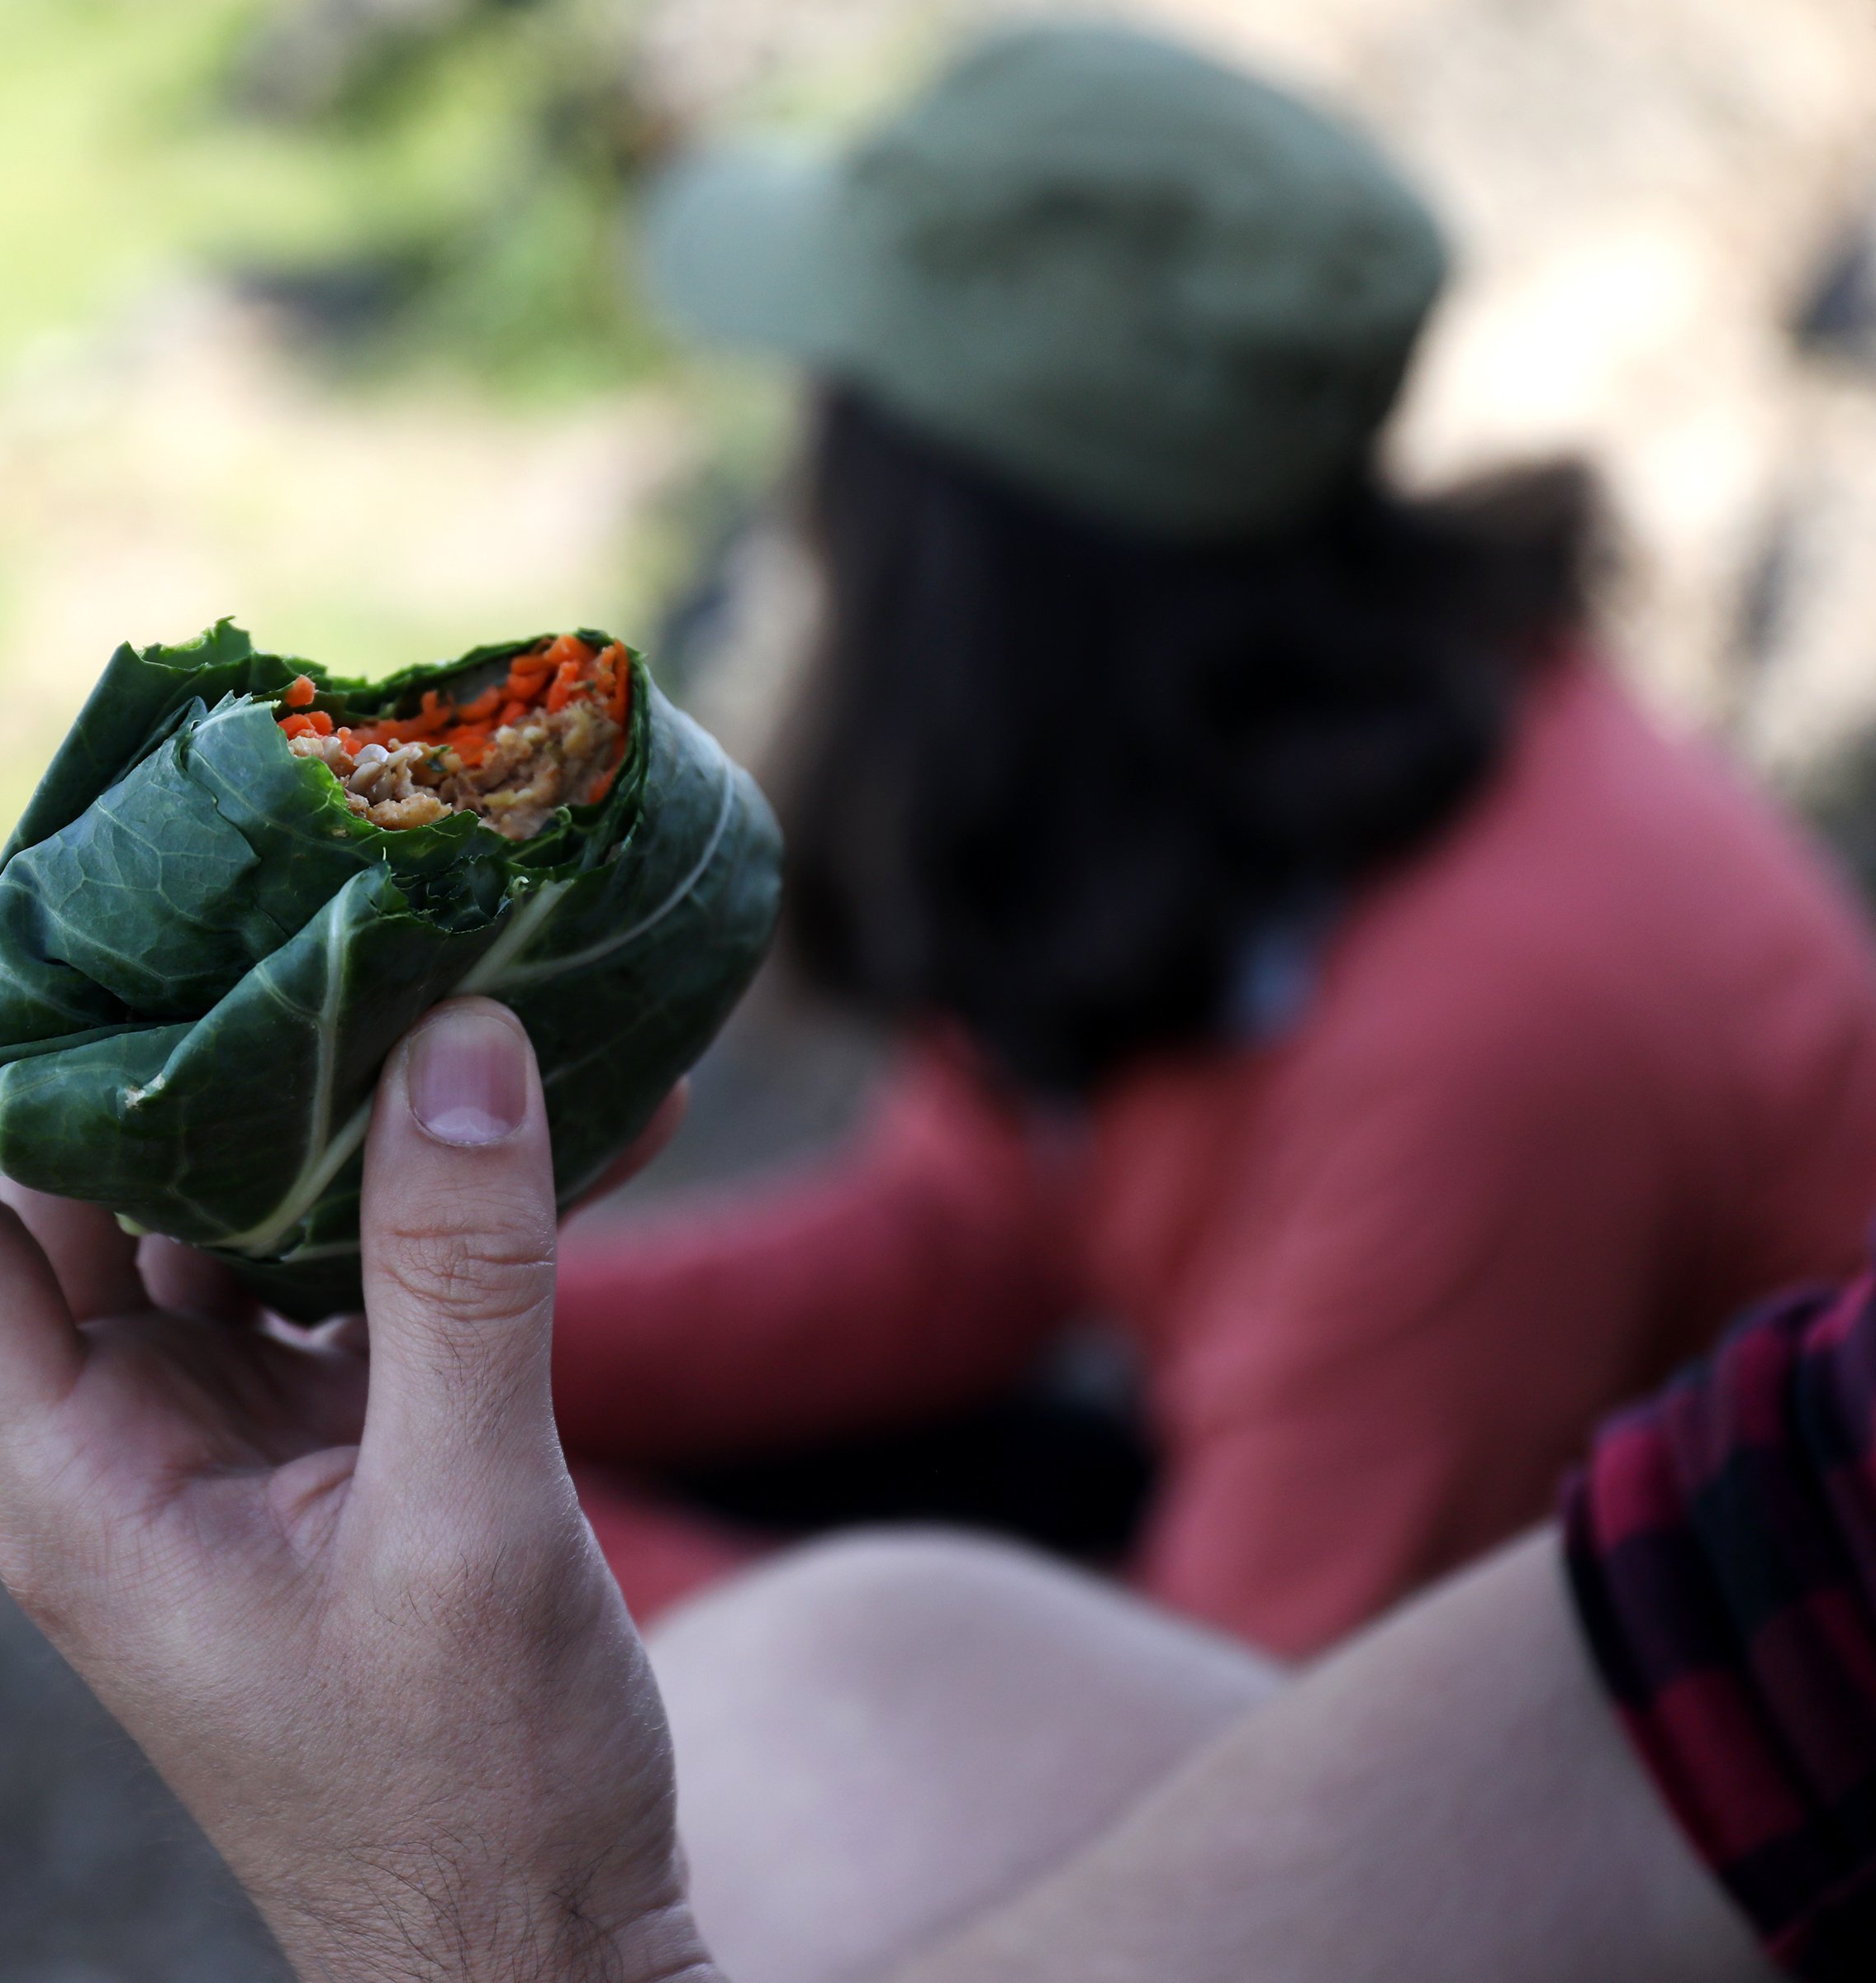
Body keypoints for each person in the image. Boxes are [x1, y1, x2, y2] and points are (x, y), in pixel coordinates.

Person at [553, 21, 1876, 1654]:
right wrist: (416, 1342)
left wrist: (492, 1573)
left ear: (934, 540)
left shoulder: (1490, 1031)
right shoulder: (1229, 755)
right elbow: (970, 1240)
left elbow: (1223, 1773)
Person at [0, 979, 1852, 1983]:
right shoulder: (1212, 857)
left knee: (798, 1723)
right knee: (843, 1664)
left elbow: (1273, 1657)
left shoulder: (1488, 1059)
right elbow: (953, 1253)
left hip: (1321, 1574)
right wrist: (426, 1377)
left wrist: (509, 1905)